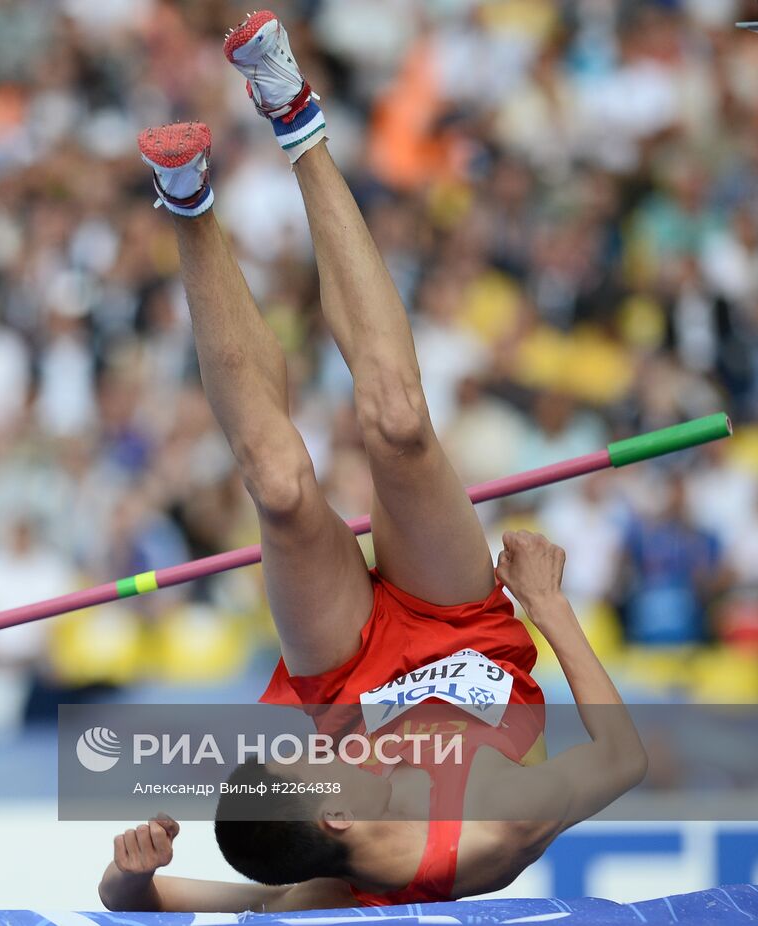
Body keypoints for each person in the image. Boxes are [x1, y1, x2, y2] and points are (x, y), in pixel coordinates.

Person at [97, 11, 646, 912]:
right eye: (314, 757)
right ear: (341, 818)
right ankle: (296, 122)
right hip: (456, 625)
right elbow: (623, 761)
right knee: (396, 425)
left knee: (277, 486)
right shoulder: (484, 830)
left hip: (344, 664)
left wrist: (131, 868)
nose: (325, 745)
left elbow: (136, 903)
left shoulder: (320, 827)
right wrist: (547, 608)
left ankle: (190, 194)